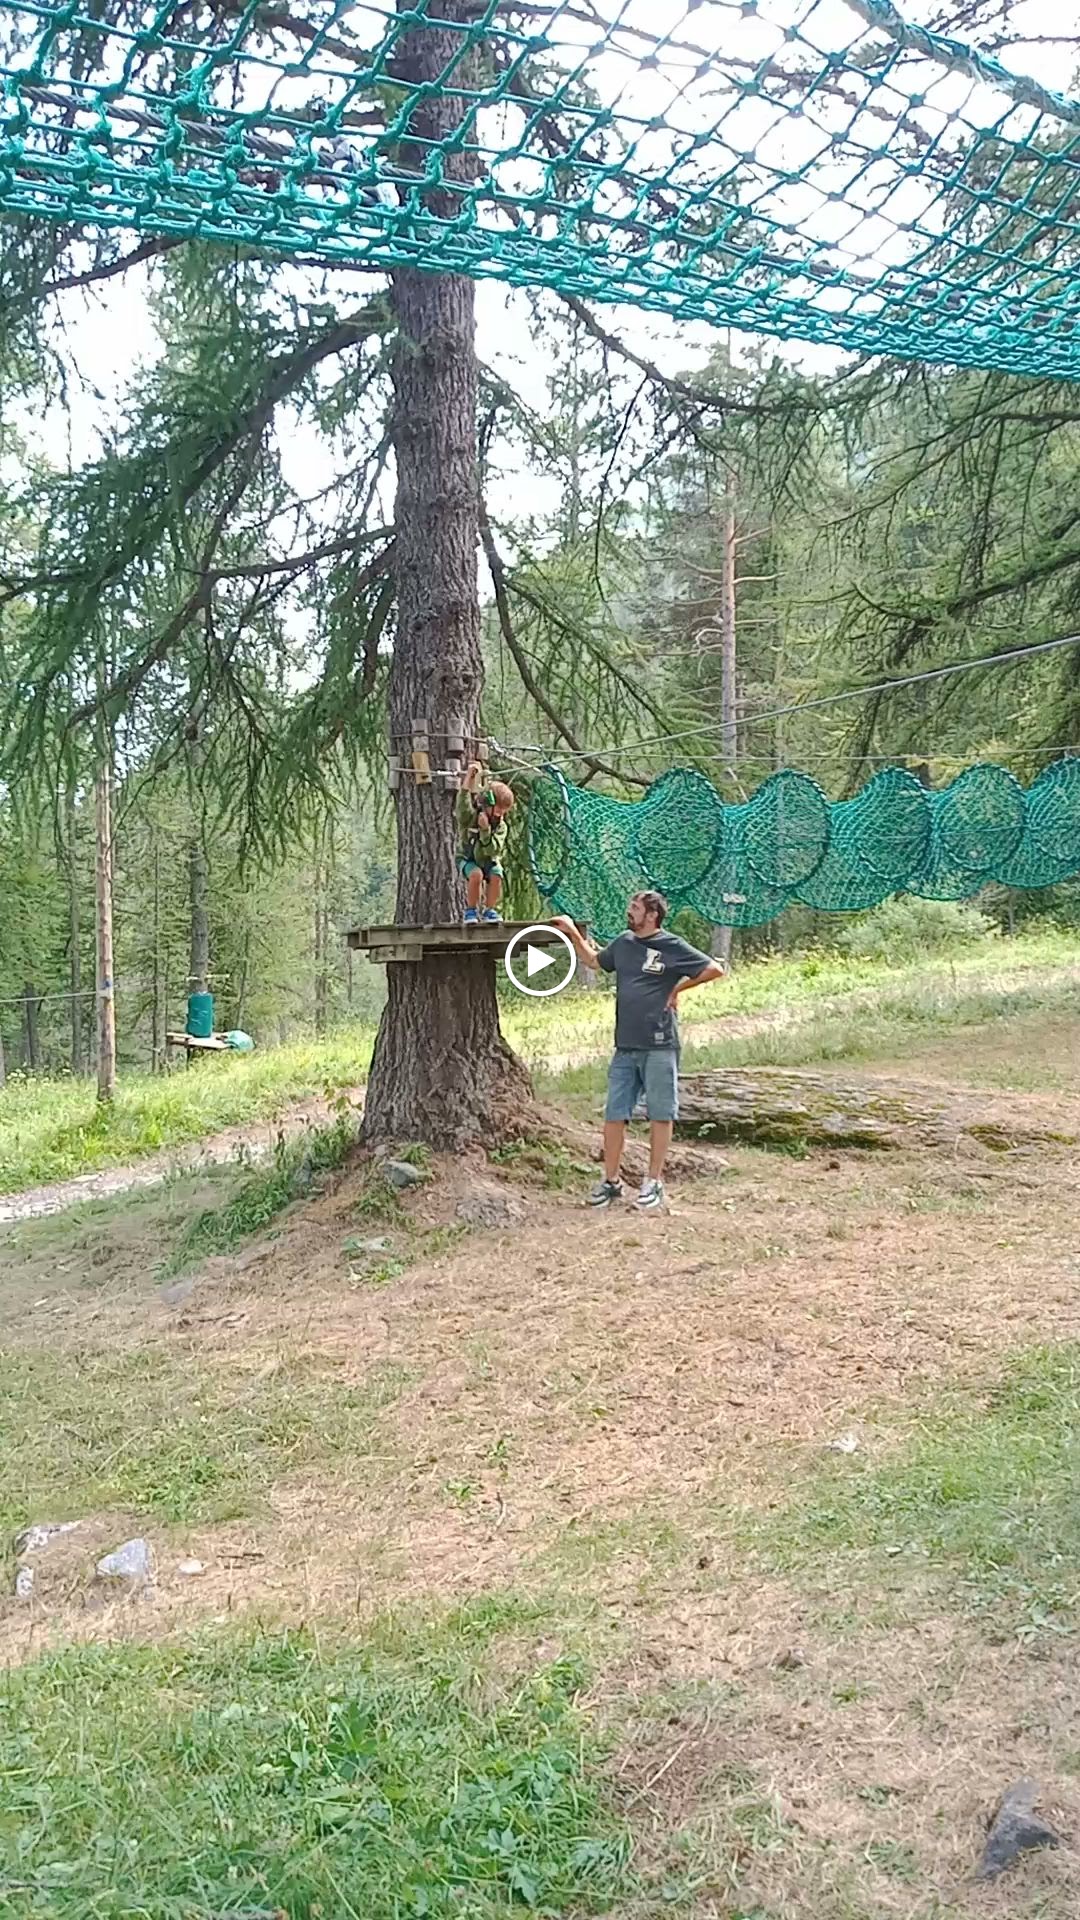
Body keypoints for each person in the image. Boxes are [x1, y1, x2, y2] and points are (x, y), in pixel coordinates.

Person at [550, 892, 725, 1212]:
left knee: (660, 1113)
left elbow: (714, 969)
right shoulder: (624, 943)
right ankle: (611, 1182)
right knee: (614, 1114)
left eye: (635, 908)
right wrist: (572, 932)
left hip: (659, 1044)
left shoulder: (671, 945)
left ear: (652, 915)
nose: (629, 912)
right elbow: (594, 961)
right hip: (625, 1045)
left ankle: (653, 1183)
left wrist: (677, 988)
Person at [458, 760, 515, 925]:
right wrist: (469, 778)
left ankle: (489, 909)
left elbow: (492, 850)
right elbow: (462, 805)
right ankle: (471, 910)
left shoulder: (501, 826)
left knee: (496, 873)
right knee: (476, 875)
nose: (500, 815)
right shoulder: (471, 816)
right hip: (468, 859)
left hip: (488, 859)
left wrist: (485, 831)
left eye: (504, 811)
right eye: (498, 810)